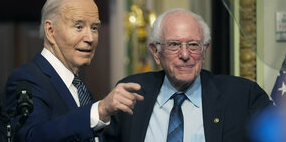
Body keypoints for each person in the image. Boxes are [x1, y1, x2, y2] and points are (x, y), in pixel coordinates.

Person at [104, 8, 273, 142]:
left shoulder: (242, 95)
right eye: (174, 45)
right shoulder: (131, 93)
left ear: (205, 50)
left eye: (193, 45)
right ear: (156, 52)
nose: (185, 55)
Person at [2, 0, 143, 141]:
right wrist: (100, 110)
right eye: (78, 27)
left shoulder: (79, 88)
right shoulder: (25, 80)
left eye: (94, 28)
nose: (90, 38)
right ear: (50, 31)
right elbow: (31, 138)